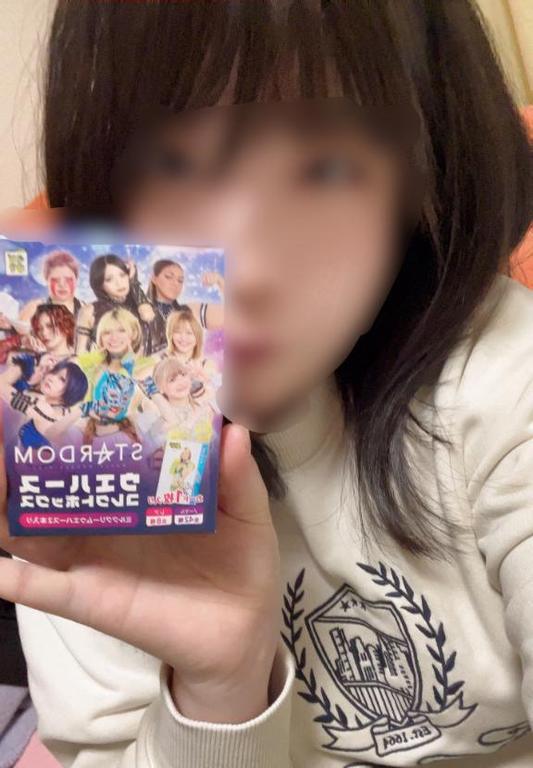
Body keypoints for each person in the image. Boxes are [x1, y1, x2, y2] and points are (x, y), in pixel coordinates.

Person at [0, 3, 532, 768]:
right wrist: (216, 695)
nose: (242, 266)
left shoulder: (504, 379)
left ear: (424, 187)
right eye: (172, 165)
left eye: (325, 168)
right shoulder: (81, 458)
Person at [78, 306, 149, 445]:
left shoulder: (146, 366)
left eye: (121, 330)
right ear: (100, 337)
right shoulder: (93, 368)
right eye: (107, 332)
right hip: (91, 438)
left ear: (134, 333)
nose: (114, 337)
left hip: (131, 440)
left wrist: (130, 368)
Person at [76, 253, 157, 355]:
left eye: (122, 275)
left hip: (144, 364)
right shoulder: (89, 311)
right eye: (109, 279)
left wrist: (134, 283)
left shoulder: (140, 303)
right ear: (100, 285)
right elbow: (80, 352)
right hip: (104, 365)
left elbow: (147, 316)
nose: (119, 283)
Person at [0, 360, 88, 449]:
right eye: (53, 372)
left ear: (71, 391)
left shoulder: (41, 408)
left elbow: (1, 386)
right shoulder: (63, 411)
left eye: (62, 379)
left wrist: (23, 364)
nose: (51, 378)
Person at [19, 249, 83, 322]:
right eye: (56, 280)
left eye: (67, 279)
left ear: (76, 280)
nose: (62, 285)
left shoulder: (88, 311)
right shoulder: (33, 310)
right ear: (46, 280)